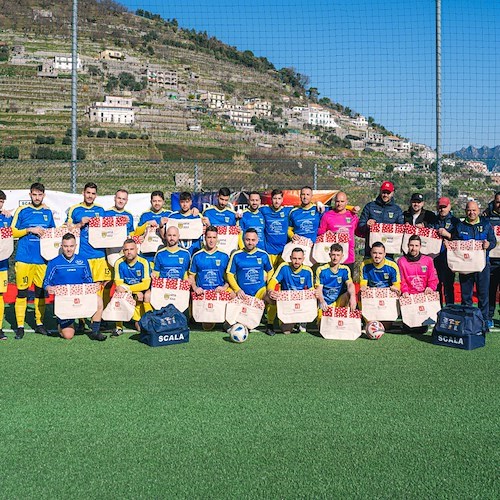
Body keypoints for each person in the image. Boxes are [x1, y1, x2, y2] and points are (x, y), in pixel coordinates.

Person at [11, 182, 56, 339]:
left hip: (42, 260)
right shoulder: (22, 210)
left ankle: (39, 324)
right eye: (34, 194)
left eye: (40, 194)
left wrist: (47, 233)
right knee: (22, 292)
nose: (37, 197)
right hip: (24, 258)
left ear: (43, 195)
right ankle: (20, 325)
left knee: (40, 292)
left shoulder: (48, 212)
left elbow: (53, 234)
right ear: (30, 195)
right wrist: (30, 229)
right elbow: (12, 232)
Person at [43, 233, 105, 341]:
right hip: (65, 300)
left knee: (98, 301)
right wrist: (48, 287)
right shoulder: (54, 262)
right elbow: (46, 282)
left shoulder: (83, 260)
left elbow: (88, 279)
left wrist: (93, 286)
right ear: (61, 246)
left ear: (75, 246)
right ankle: (60, 322)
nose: (68, 249)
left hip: (81, 296)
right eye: (66, 246)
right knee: (68, 335)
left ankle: (95, 331)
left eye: (71, 246)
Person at [448, 200, 496, 329]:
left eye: (474, 210)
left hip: (482, 266)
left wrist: (489, 245)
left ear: (479, 211)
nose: (472, 212)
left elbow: (493, 241)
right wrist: (449, 245)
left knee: (483, 294)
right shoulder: (460, 226)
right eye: (469, 210)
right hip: (466, 266)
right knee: (466, 296)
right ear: (465, 211)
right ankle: (467, 321)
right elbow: (455, 244)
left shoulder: (486, 225)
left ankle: (484, 321)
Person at [226, 228, 273, 331]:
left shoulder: (263, 254)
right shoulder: (236, 255)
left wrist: (268, 285)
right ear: (243, 239)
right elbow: (229, 274)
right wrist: (237, 289)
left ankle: (270, 324)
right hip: (242, 291)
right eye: (247, 239)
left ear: (257, 240)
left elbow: (270, 270)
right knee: (227, 296)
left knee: (272, 298)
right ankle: (229, 321)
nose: (250, 242)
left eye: (253, 240)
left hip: (259, 291)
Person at [189, 226, 233, 330]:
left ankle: (230, 320)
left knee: (233, 295)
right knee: (207, 327)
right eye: (209, 237)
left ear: (217, 238)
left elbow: (229, 278)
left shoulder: (224, 256)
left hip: (219, 293)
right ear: (205, 237)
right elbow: (191, 276)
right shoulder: (197, 255)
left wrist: (224, 288)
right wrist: (195, 288)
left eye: (214, 237)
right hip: (204, 293)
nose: (211, 240)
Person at [267, 247, 314, 334]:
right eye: (294, 258)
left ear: (303, 259)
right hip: (287, 303)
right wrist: (270, 291)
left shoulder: (308, 271)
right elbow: (273, 281)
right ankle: (270, 323)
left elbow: (311, 291)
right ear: (290, 258)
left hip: (300, 303)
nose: (296, 261)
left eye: (299, 259)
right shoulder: (284, 267)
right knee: (286, 331)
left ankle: (301, 319)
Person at [397, 235, 439, 333]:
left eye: (416, 246)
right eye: (411, 245)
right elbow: (401, 280)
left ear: (420, 246)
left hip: (423, 295)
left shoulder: (428, 260)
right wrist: (405, 291)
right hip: (409, 296)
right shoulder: (401, 261)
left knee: (422, 329)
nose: (413, 248)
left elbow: (433, 279)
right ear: (407, 246)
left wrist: (430, 288)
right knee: (409, 327)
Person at [113, 238, 152, 335]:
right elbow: (119, 284)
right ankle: (119, 327)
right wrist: (133, 292)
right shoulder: (119, 263)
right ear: (123, 251)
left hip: (140, 292)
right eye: (126, 250)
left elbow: (146, 284)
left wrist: (131, 290)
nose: (129, 252)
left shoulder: (143, 262)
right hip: (128, 293)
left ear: (137, 249)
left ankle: (148, 321)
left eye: (131, 249)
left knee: (140, 329)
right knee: (118, 292)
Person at [357, 181, 404, 257]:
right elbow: (360, 227)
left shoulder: (397, 210)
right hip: (371, 251)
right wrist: (367, 225)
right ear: (380, 191)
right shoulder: (370, 206)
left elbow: (401, 230)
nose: (385, 195)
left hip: (388, 252)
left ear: (392, 193)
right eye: (383, 192)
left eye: (388, 193)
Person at [317, 191, 359, 273]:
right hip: (333, 258)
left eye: (342, 201)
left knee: (347, 284)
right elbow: (320, 233)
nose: (339, 204)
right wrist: (332, 235)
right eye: (337, 201)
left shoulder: (352, 215)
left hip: (348, 257)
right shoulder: (327, 216)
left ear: (346, 202)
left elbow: (359, 231)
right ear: (334, 202)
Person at [431, 196, 459, 307]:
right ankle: (437, 309)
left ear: (449, 207)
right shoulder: (433, 221)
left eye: (444, 207)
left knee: (448, 286)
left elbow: (459, 239)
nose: (442, 209)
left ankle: (449, 309)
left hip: (449, 258)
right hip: (434, 258)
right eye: (440, 207)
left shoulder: (455, 222)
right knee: (436, 285)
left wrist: (448, 235)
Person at [315, 243, 357, 313]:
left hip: (338, 301)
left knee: (348, 294)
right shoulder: (322, 270)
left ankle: (345, 317)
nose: (335, 257)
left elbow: (350, 284)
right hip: (325, 302)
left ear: (342, 256)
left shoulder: (345, 269)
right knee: (324, 322)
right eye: (333, 255)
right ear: (329, 255)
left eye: (338, 255)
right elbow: (319, 289)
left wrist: (353, 297)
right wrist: (322, 301)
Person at [135, 191, 172, 264]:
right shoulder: (145, 215)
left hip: (164, 249)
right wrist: (147, 223)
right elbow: (137, 232)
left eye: (159, 201)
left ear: (163, 202)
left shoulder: (169, 214)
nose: (157, 203)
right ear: (151, 202)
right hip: (147, 251)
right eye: (154, 201)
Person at [261, 189, 293, 269]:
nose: (277, 201)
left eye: (279, 199)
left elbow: (302, 208)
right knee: (270, 274)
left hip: (284, 250)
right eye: (275, 198)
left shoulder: (287, 211)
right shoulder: (264, 210)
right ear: (271, 199)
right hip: (270, 250)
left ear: (282, 200)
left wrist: (318, 203)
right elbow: (251, 211)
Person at [482, 191, 500, 325]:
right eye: (498, 202)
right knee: (490, 289)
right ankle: (488, 316)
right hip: (490, 259)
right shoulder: (486, 217)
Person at [167, 191, 203, 256]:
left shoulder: (197, 216)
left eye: (187, 202)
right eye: (182, 202)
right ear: (179, 202)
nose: (185, 204)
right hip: (178, 251)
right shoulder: (172, 217)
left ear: (191, 202)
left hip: (194, 249)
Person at [0, 190, 12, 340]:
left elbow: (16, 229)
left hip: (2, 265)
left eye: (2, 201)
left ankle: (0, 327)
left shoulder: (7, 218)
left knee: (0, 296)